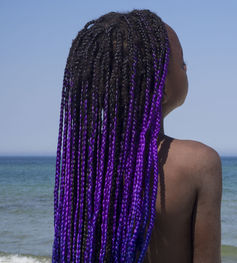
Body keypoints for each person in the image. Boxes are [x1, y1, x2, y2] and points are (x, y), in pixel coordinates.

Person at [52, 9, 222, 263]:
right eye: (180, 62)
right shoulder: (199, 162)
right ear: (160, 88)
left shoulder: (81, 161)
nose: (186, 66)